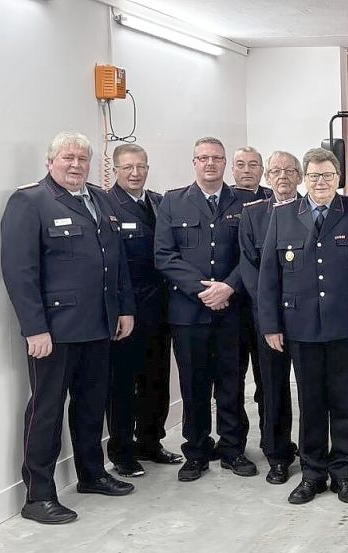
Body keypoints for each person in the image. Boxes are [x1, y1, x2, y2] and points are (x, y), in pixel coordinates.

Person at [1, 131, 136, 524]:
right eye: (67, 158)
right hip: (55, 331)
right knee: (46, 410)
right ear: (50, 162)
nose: (76, 165)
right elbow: (19, 272)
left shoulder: (100, 198)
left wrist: (123, 309)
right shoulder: (30, 202)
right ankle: (37, 495)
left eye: (82, 158)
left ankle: (91, 474)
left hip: (99, 325)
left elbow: (117, 260)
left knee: (92, 406)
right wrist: (34, 329)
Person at [259, 148, 348, 505]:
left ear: (338, 178)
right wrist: (271, 325)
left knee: (343, 402)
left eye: (327, 175)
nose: (320, 182)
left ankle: (344, 473)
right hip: (301, 326)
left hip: (346, 324)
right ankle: (312, 473)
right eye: (314, 176)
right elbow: (269, 276)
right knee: (310, 402)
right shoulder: (283, 216)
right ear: (305, 179)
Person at [154, 137, 257, 482]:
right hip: (189, 313)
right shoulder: (172, 202)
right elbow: (165, 256)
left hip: (232, 310)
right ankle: (195, 452)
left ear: (226, 163)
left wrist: (229, 286)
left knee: (231, 382)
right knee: (193, 385)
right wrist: (205, 290)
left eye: (216, 158)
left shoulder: (245, 201)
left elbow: (253, 254)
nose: (210, 163)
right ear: (194, 162)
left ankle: (232, 450)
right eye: (203, 158)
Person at [105, 144, 182, 478]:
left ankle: (150, 442)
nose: (134, 173)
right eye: (127, 168)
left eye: (140, 167)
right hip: (127, 313)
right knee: (123, 385)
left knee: (156, 381)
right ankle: (122, 452)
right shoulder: (106, 205)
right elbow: (112, 265)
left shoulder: (158, 202)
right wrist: (123, 309)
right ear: (115, 170)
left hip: (159, 310)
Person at [238, 151, 302, 485]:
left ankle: (312, 451)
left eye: (289, 171)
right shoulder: (253, 215)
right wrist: (269, 318)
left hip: (307, 317)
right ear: (267, 176)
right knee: (272, 388)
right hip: (270, 320)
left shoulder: (313, 210)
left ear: (300, 176)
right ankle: (278, 455)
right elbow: (251, 271)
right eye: (275, 171)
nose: (282, 177)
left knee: (311, 390)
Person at [232, 146, 270, 452]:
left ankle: (272, 441)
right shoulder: (224, 200)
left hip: (264, 307)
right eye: (241, 165)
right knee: (232, 383)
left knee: (267, 382)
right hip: (231, 306)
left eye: (253, 164)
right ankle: (233, 445)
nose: (247, 170)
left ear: (263, 170)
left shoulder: (275, 203)